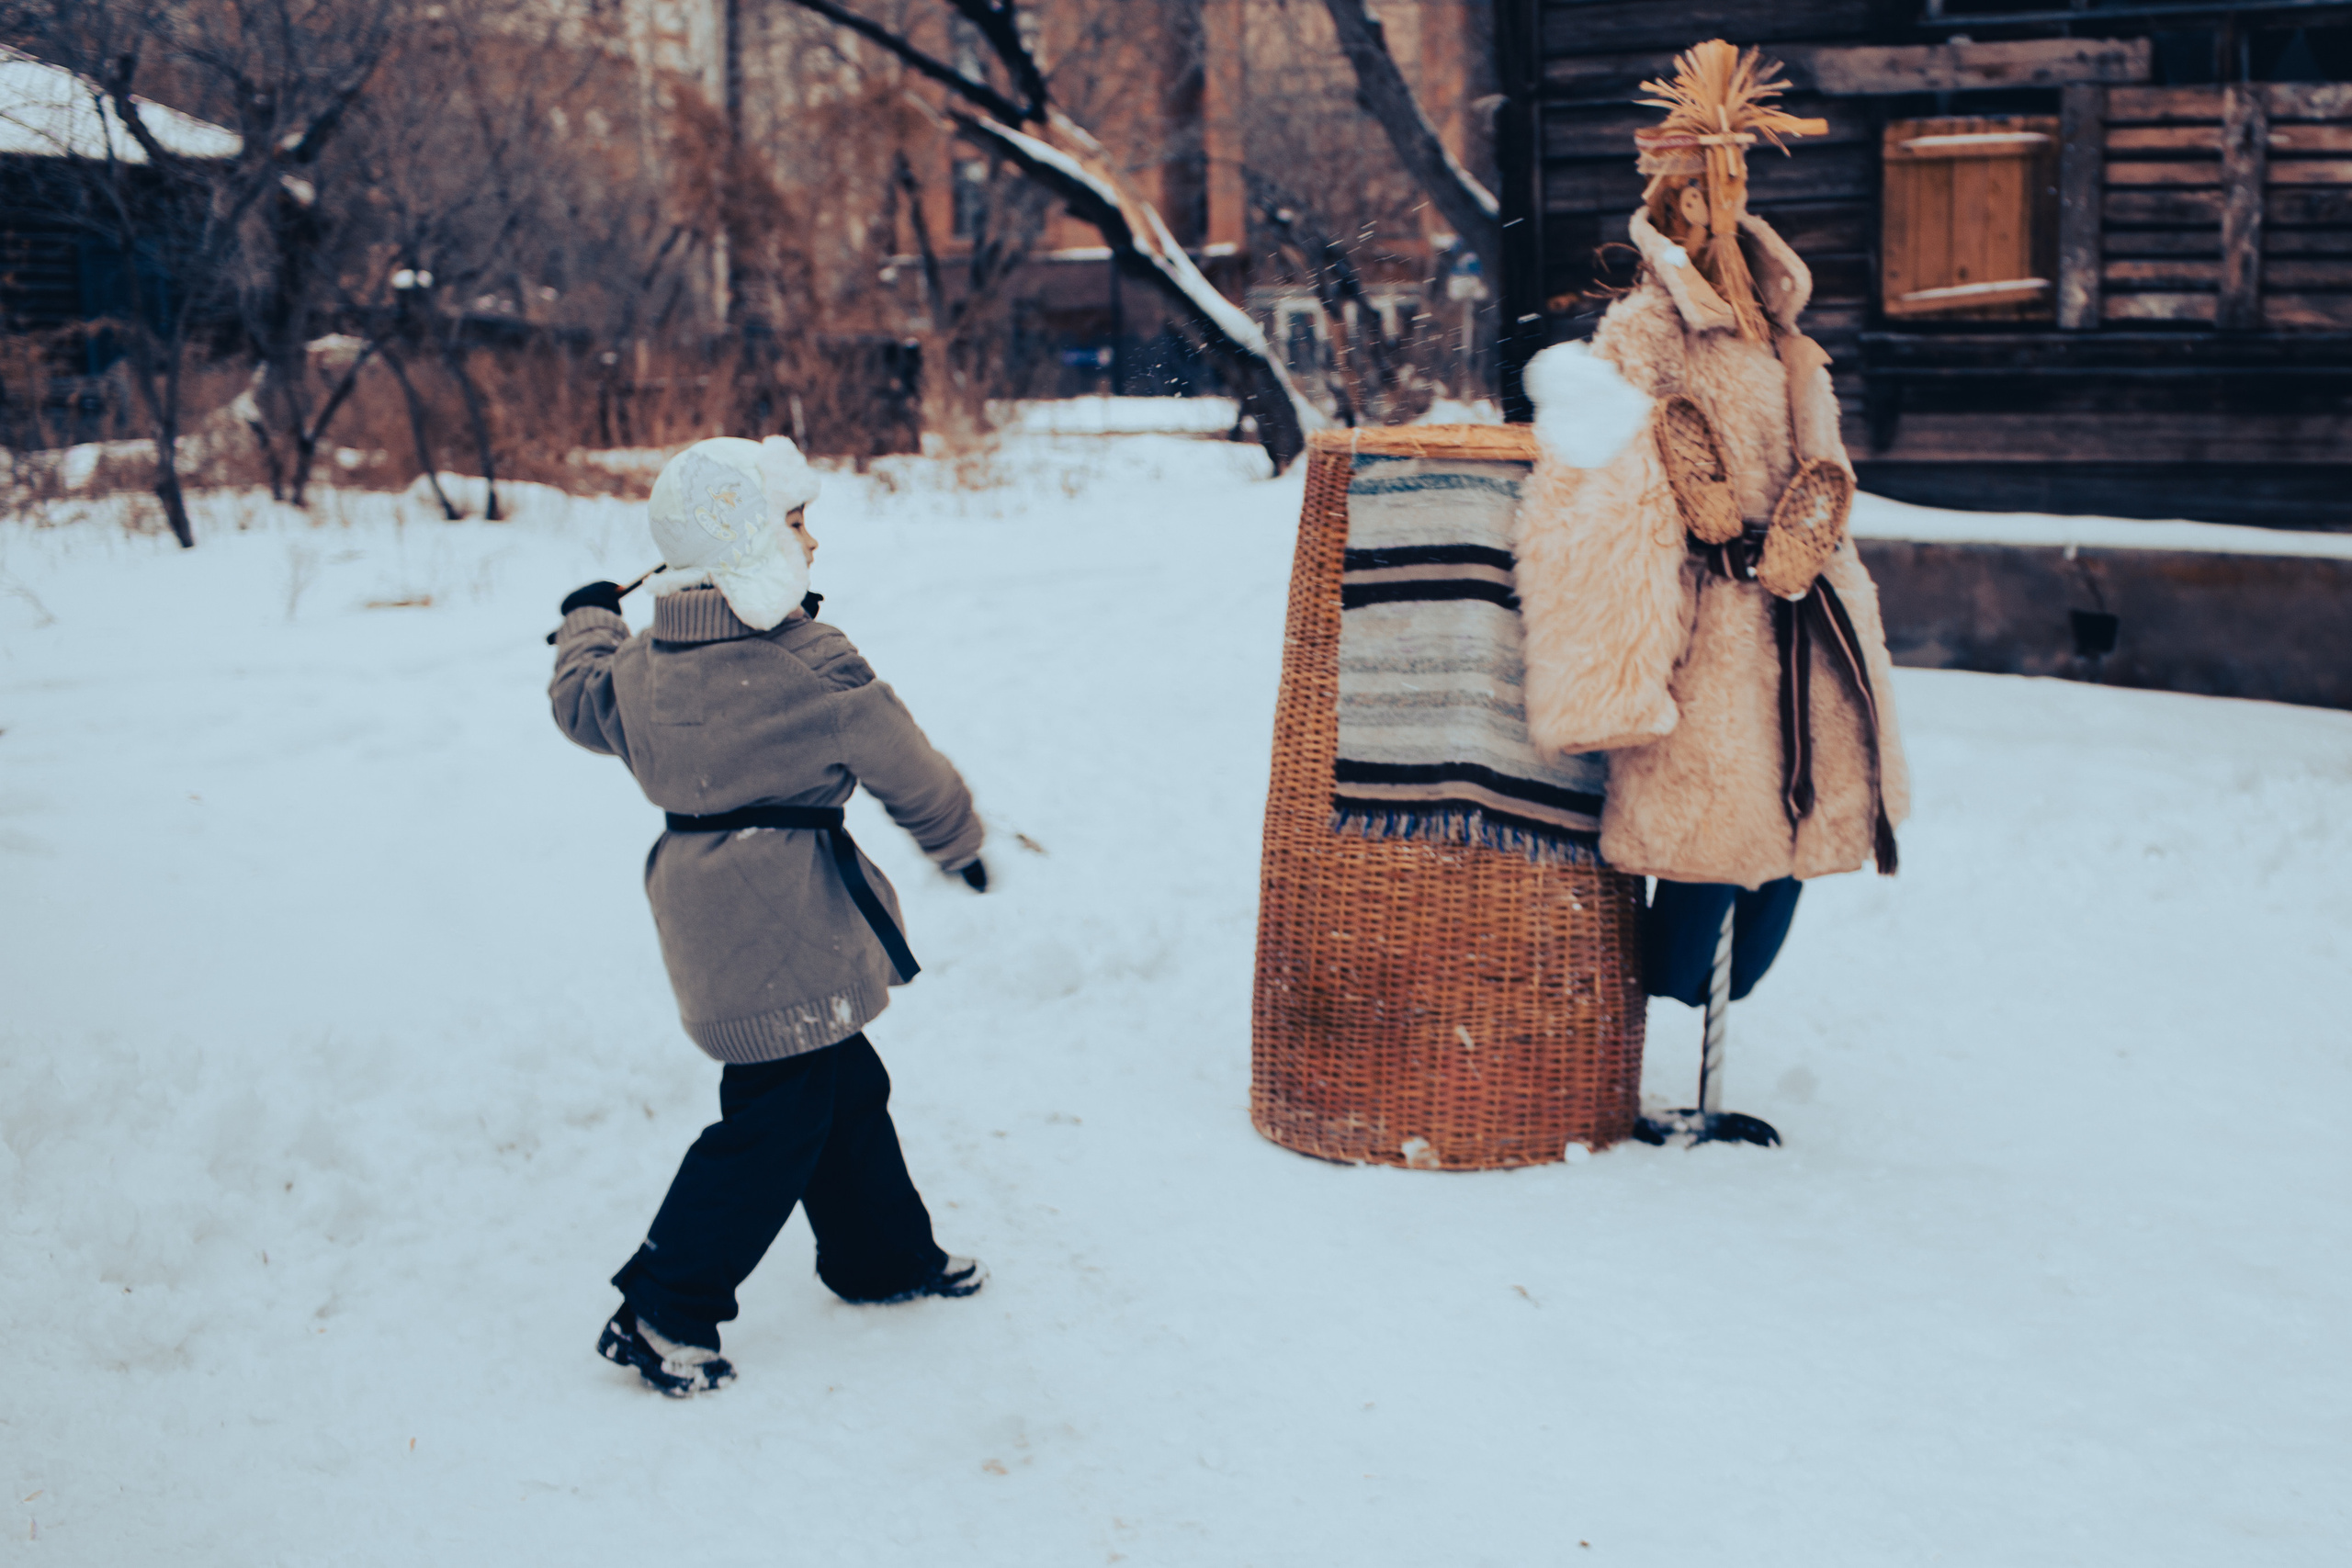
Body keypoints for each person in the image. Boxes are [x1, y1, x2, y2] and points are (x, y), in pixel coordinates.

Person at [549, 434, 988, 1398]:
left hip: (701, 914)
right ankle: (664, 1309)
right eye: (794, 522)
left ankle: (880, 1255)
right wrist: (958, 839)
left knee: (841, 1083)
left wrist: (587, 618)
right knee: (776, 1119)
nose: (812, 541)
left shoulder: (640, 667)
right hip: (788, 918)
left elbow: (580, 700)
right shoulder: (810, 663)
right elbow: (908, 767)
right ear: (746, 543)